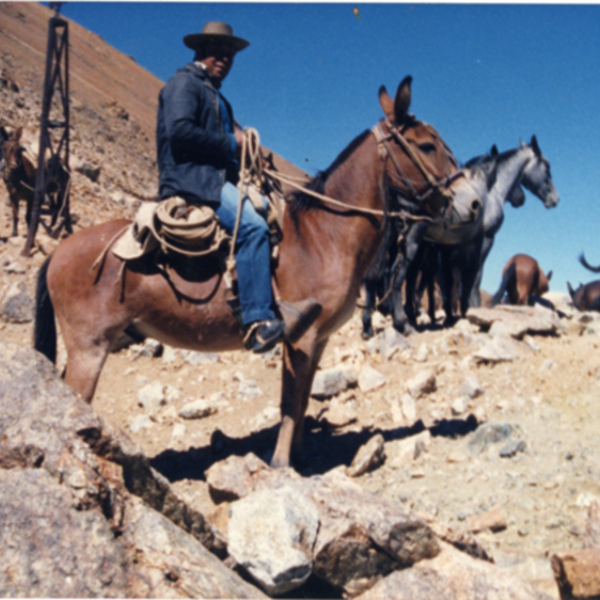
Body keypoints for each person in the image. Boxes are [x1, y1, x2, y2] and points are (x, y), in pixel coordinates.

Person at [156, 21, 319, 353]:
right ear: (200, 51)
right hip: (193, 181)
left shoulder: (216, 96)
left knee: (275, 217)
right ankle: (257, 322)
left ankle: (277, 302)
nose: (225, 59)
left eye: (229, 54)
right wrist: (234, 143)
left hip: (214, 178)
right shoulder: (183, 85)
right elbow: (180, 134)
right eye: (218, 51)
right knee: (252, 228)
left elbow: (231, 146)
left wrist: (254, 159)